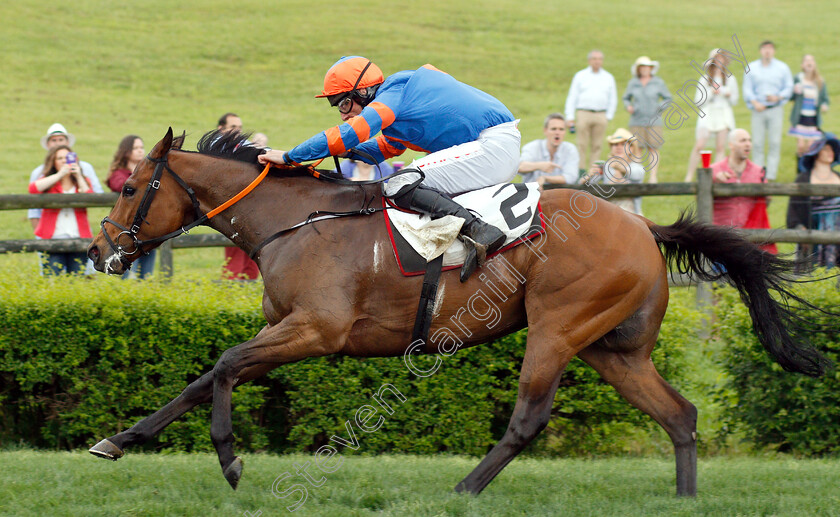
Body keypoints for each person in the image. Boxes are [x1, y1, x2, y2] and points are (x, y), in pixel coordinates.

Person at [258, 56, 520, 282]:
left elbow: (354, 132)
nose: (343, 114)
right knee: (405, 182)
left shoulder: (393, 93)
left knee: (397, 183)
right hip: (490, 149)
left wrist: (292, 156)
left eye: (344, 104)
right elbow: (380, 150)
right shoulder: (398, 109)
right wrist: (338, 150)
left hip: (491, 146)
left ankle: (479, 231)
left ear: (363, 92)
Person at [28, 145, 94, 275]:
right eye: (60, 158)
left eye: (68, 157)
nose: (64, 161)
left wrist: (79, 176)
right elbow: (33, 188)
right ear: (53, 162)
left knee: (77, 280)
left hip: (78, 238)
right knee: (53, 278)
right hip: (52, 239)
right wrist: (60, 175)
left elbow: (91, 197)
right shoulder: (49, 180)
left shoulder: (83, 181)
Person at [29, 123, 103, 231]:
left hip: (78, 230)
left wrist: (78, 176)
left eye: (61, 139)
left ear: (67, 142)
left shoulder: (85, 168)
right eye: (53, 140)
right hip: (50, 230)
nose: (57, 143)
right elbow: (33, 202)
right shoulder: (40, 172)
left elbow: (95, 195)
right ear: (48, 144)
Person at [786, 135, 840, 271]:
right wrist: (801, 231)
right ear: (816, 153)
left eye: (832, 149)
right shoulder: (803, 180)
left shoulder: (838, 177)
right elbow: (793, 212)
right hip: (812, 234)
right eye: (826, 149)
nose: (830, 152)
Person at [106, 135, 157, 279]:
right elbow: (118, 184)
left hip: (145, 227)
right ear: (126, 151)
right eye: (135, 148)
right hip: (125, 227)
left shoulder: (148, 173)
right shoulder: (119, 173)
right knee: (123, 271)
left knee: (146, 274)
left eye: (141, 147)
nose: (140, 151)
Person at [217, 113, 260, 281]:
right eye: (233, 127)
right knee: (235, 259)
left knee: (251, 259)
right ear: (221, 129)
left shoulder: (240, 146)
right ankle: (230, 294)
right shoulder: (218, 149)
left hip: (248, 210)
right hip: (232, 211)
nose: (238, 131)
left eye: (240, 128)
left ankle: (245, 293)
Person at [742, 41, 793, 181]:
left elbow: (788, 87)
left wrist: (778, 97)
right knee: (757, 142)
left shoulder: (782, 68)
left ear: (774, 51)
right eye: (765, 49)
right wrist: (754, 102)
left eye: (770, 49)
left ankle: (770, 174)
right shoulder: (751, 68)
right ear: (760, 51)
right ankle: (758, 172)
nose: (767, 52)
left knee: (774, 142)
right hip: (758, 109)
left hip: (775, 108)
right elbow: (747, 88)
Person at [685, 50, 739, 182]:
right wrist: (711, 92)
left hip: (723, 113)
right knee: (700, 145)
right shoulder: (704, 79)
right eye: (717, 58)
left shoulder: (730, 79)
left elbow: (735, 100)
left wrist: (727, 94)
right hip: (708, 113)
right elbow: (698, 101)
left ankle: (716, 174)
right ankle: (689, 175)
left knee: (721, 147)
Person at [622, 56, 672, 183]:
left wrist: (659, 108)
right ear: (638, 69)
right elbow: (626, 98)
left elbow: (667, 98)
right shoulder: (633, 83)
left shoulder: (658, 82)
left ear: (650, 68)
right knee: (637, 148)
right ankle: (638, 176)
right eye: (642, 67)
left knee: (653, 147)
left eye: (647, 67)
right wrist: (629, 106)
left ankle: (653, 176)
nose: (645, 69)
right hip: (636, 120)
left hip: (654, 120)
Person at [564, 50, 618, 168]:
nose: (597, 61)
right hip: (584, 113)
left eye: (599, 59)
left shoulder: (608, 77)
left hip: (601, 114)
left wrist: (608, 116)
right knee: (581, 144)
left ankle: (593, 174)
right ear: (589, 60)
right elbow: (572, 96)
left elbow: (612, 98)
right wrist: (570, 116)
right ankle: (580, 171)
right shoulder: (581, 76)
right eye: (594, 58)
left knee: (597, 145)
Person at [710, 128, 768, 227]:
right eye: (743, 141)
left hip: (751, 234)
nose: (748, 144)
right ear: (731, 145)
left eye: (750, 140)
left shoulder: (759, 172)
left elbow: (765, 202)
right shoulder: (714, 169)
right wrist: (714, 181)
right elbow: (700, 200)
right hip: (720, 234)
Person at [579, 128, 645, 215]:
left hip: (632, 213)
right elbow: (586, 185)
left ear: (631, 149)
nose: (618, 147)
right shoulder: (606, 166)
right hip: (608, 211)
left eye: (623, 144)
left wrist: (619, 168)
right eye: (615, 144)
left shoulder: (636, 167)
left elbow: (637, 175)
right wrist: (589, 176)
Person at [518, 113, 580, 187]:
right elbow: (519, 167)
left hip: (559, 194)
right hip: (533, 194)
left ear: (565, 132)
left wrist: (545, 178)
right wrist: (539, 165)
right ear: (545, 131)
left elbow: (571, 177)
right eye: (553, 129)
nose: (557, 133)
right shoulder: (532, 147)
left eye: (561, 129)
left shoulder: (570, 149)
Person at [788, 54, 830, 157]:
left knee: (810, 147)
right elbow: (790, 97)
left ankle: (807, 171)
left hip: (812, 118)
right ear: (802, 65)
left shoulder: (819, 81)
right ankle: (799, 170)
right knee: (801, 146)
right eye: (806, 60)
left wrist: (824, 105)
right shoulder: (798, 79)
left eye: (811, 60)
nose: (809, 62)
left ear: (814, 64)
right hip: (800, 117)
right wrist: (794, 91)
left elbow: (825, 99)